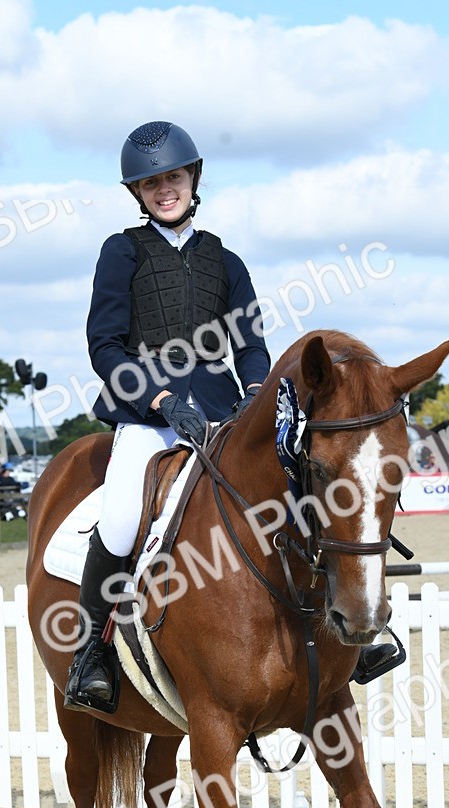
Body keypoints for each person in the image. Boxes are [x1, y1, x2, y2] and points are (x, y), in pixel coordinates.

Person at [63, 120, 270, 712]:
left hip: (220, 413)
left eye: (173, 178)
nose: (164, 190)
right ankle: (91, 654)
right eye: (151, 183)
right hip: (147, 416)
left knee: (291, 490)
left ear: (193, 179)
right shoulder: (122, 251)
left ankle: (347, 632)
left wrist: (255, 393)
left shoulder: (226, 260)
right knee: (121, 519)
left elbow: (251, 344)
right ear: (138, 192)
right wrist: (159, 401)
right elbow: (105, 347)